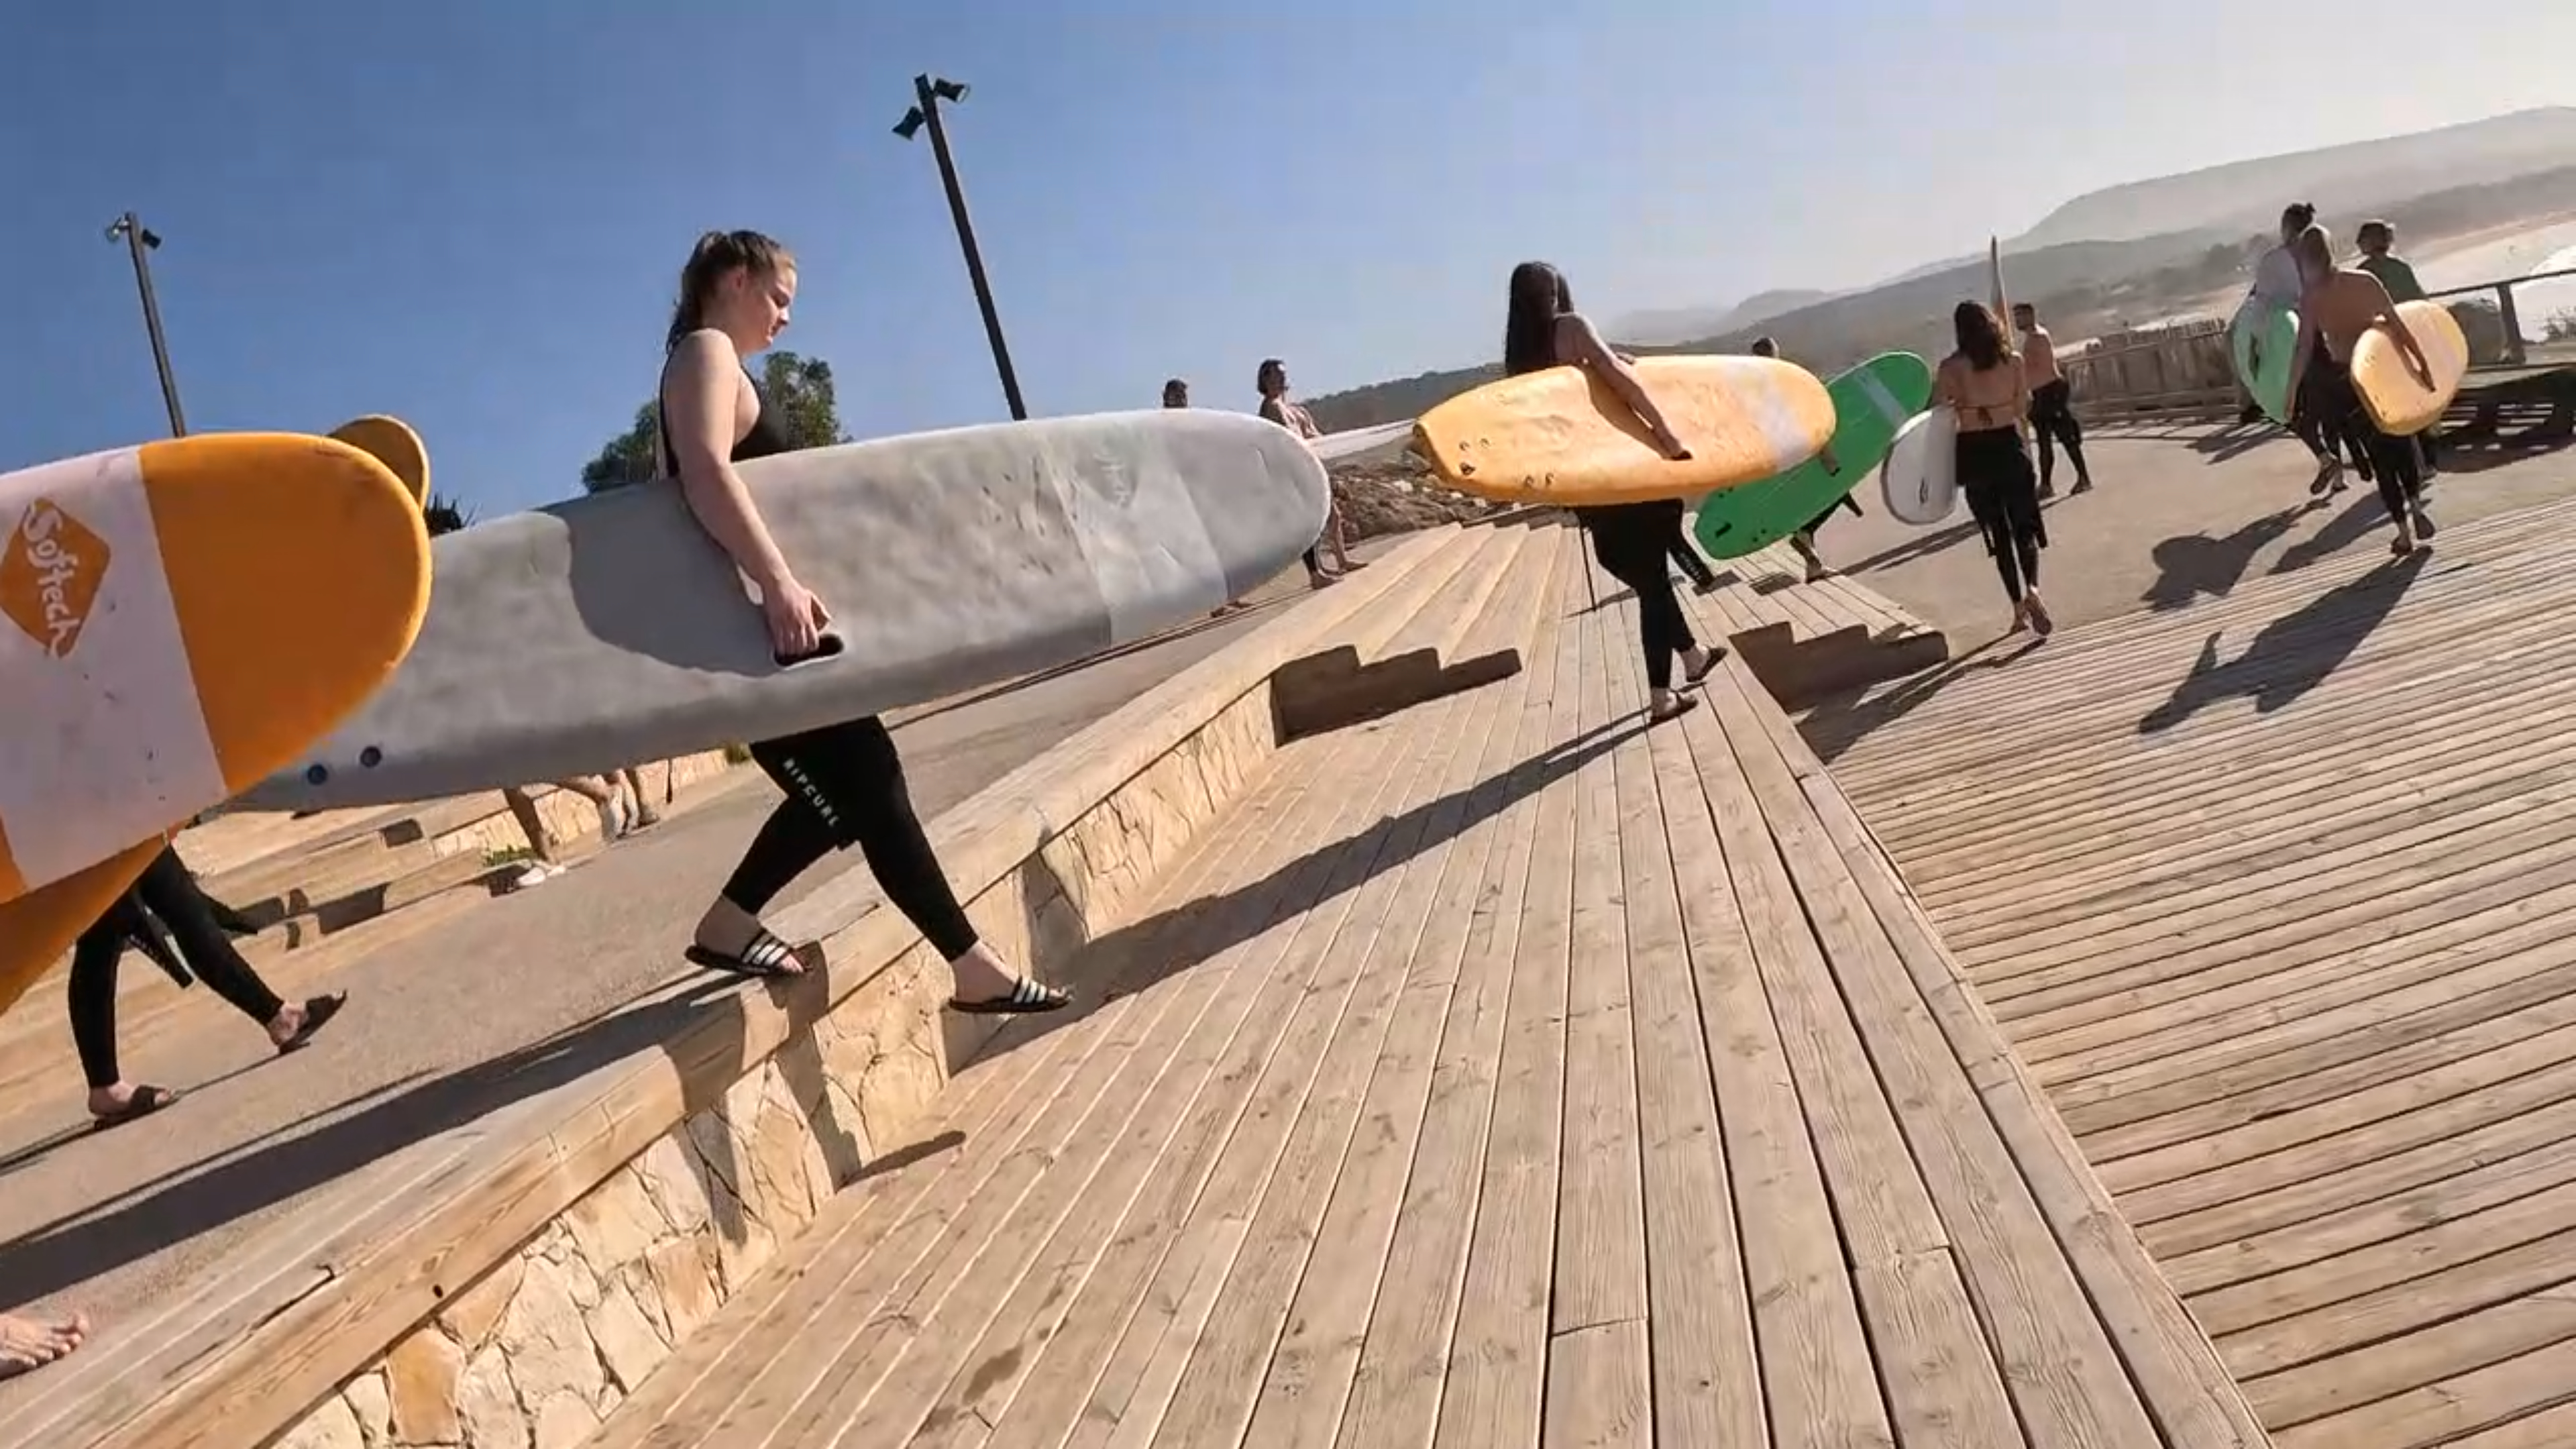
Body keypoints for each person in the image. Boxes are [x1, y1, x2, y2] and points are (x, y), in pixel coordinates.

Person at [656, 229, 1066, 1013]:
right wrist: (778, 582)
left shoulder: (705, 361)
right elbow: (704, 475)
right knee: (869, 780)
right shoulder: (707, 352)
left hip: (761, 634)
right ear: (735, 280)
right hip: (762, 634)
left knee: (849, 792)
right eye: (779, 298)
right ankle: (971, 966)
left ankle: (731, 921)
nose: (785, 318)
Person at [1505, 261, 1717, 721]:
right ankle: (1661, 697)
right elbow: (1623, 385)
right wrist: (1668, 437)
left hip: (1587, 490)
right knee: (1654, 585)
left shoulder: (1518, 360)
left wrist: (1608, 359)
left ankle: (1693, 656)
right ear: (1555, 295)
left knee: (1650, 580)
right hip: (1620, 472)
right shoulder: (1571, 328)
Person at [68, 845, 347, 1126]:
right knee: (103, 933)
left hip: (105, 826)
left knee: (180, 901)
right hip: (75, 835)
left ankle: (278, 1016)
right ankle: (104, 1086)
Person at [2283, 223, 2438, 556]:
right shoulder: (2365, 281)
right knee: (2401, 442)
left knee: (2380, 457)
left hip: (2349, 381)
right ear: (2332, 250)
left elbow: (2304, 348)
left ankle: (2403, 534)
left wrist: (2291, 392)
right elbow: (2398, 327)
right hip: (2384, 371)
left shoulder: (2311, 298)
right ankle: (2416, 506)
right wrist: (2422, 365)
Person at [1937, 301, 2055, 638]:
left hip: (1974, 454)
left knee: (1999, 535)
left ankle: (2018, 610)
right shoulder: (2013, 361)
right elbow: (2022, 406)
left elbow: (1939, 414)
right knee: (2024, 528)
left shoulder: (1950, 368)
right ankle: (2033, 589)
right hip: (2009, 447)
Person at [2250, 202, 2368, 494]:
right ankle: (2352, 463)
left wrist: (2257, 345)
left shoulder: (2274, 261)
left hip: (2291, 342)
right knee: (2333, 406)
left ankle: (2330, 464)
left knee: (2292, 408)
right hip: (2324, 337)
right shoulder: (2317, 254)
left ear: (2285, 227)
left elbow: (2262, 306)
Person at [1749, 336, 1862, 581]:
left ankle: (1812, 562)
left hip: (1776, 456)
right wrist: (1825, 452)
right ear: (1774, 354)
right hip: (1801, 451)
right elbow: (1806, 418)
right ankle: (1806, 536)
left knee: (1813, 498)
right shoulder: (1783, 381)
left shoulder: (1751, 389)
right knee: (1835, 489)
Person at [1255, 359, 1364, 590]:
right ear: (1265, 379)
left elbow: (1313, 436)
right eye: (1276, 375)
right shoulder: (1271, 408)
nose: (1282, 379)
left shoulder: (1293, 409)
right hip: (1291, 472)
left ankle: (1341, 560)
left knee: (1332, 514)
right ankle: (1316, 574)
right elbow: (1284, 440)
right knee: (1309, 522)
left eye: (1283, 374)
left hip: (1307, 467)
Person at [2355, 219, 2440, 474]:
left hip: (2384, 344)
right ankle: (2429, 460)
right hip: (2411, 338)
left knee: (2395, 401)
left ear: (2370, 242)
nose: (2358, 243)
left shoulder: (2364, 274)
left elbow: (2362, 313)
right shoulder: (2401, 268)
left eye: (2361, 238)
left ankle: (2411, 462)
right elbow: (2421, 301)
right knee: (2417, 396)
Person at [2013, 302, 2094, 496]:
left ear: (2030, 316)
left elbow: (2028, 368)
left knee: (2065, 438)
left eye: (2020, 316)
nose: (2017, 321)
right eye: (2016, 317)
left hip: (2051, 391)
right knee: (2044, 441)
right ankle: (2046, 484)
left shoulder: (2038, 338)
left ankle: (2083, 478)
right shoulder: (2032, 338)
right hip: (2041, 393)